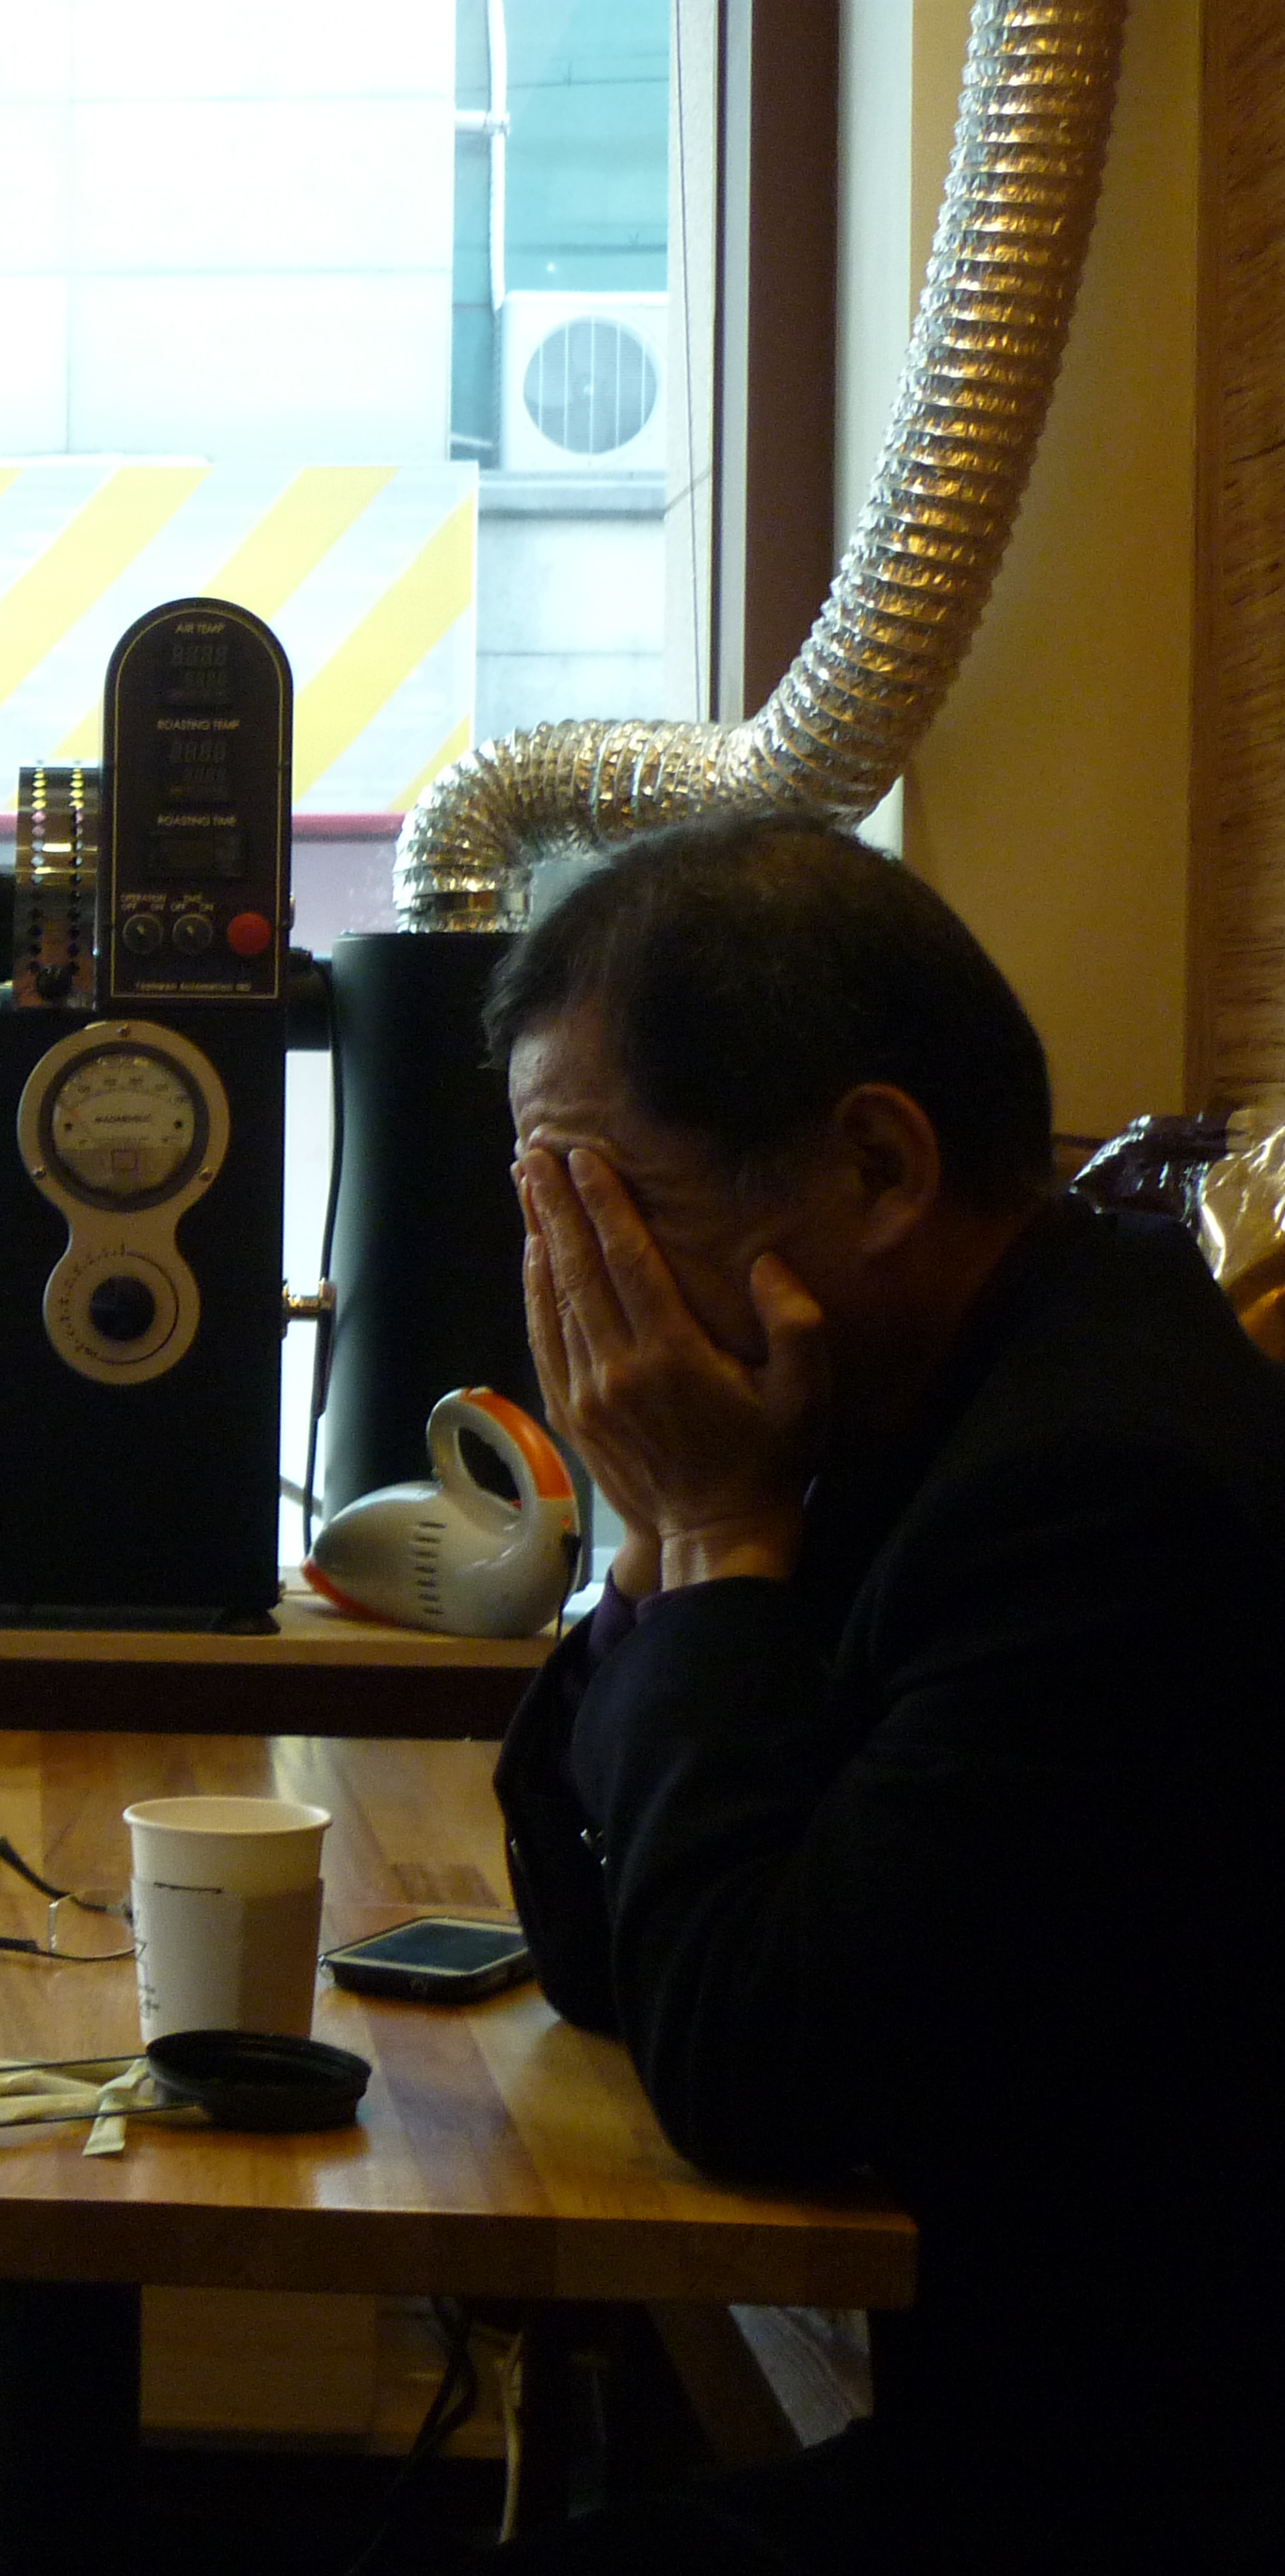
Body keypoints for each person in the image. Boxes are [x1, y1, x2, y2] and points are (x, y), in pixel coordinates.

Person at [480, 815, 1285, 2572]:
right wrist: (660, 1549)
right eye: (548, 1219)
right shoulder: (899, 1406)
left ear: (874, 1167)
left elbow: (762, 2073)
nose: (581, 1297)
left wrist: (714, 1532)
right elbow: (597, 1938)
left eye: (610, 1209)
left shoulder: (1103, 1489)